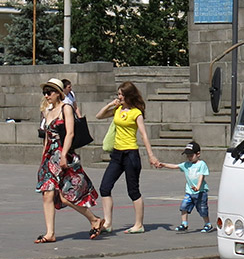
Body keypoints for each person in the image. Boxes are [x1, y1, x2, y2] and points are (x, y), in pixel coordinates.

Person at [35, 78, 105, 242]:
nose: (46, 96)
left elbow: (70, 133)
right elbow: (47, 137)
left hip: (63, 155)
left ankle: (94, 219)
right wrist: (43, 157)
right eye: (44, 93)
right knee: (47, 194)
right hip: (49, 157)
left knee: (67, 196)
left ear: (58, 93)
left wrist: (64, 154)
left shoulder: (66, 108)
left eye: (49, 92)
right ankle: (50, 233)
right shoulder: (47, 111)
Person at [96, 81, 159, 234]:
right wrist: (111, 104)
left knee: (133, 191)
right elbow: (99, 116)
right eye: (118, 94)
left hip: (131, 154)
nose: (119, 97)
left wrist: (151, 155)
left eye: (122, 95)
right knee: (105, 187)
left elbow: (143, 134)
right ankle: (108, 223)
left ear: (129, 96)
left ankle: (139, 224)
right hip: (117, 154)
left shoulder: (136, 112)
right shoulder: (117, 109)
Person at [155, 140, 213, 233]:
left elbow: (202, 176)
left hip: (201, 192)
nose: (189, 158)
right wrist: (164, 164)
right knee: (184, 207)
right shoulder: (186, 165)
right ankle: (184, 224)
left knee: (202, 209)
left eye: (191, 155)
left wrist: (198, 187)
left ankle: (207, 224)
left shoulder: (201, 164)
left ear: (198, 154)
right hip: (189, 192)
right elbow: (175, 166)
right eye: (188, 156)